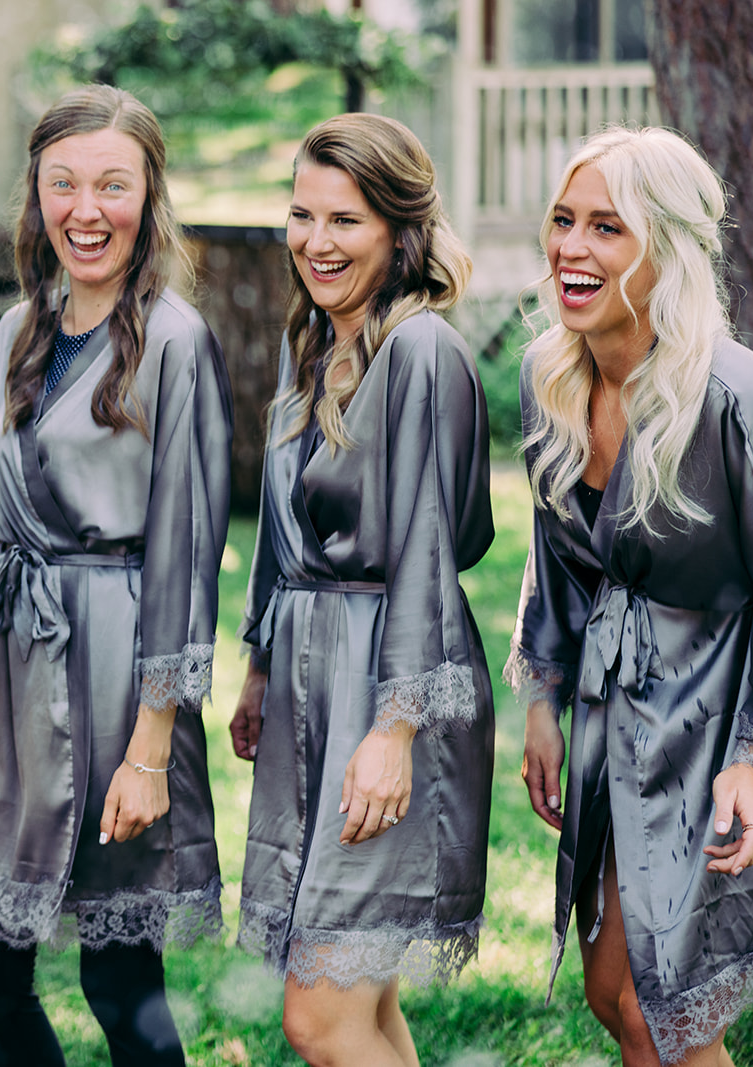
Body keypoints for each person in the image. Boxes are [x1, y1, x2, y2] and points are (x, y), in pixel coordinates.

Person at [0, 84, 232, 1066]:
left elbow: (187, 553)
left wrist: (152, 743)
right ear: (36, 193)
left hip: (117, 677)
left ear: (148, 198)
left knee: (118, 975)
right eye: (63, 183)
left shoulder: (175, 342)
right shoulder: (24, 326)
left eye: (112, 183)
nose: (85, 208)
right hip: (13, 671)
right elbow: (0, 521)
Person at [229, 113, 492, 1067]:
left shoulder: (419, 351)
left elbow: (427, 545)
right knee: (363, 1008)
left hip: (389, 679)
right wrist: (260, 667)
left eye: (346, 219)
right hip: (312, 682)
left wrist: (395, 728)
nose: (316, 241)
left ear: (399, 229)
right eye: (302, 215)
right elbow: (280, 531)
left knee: (323, 1016)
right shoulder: (316, 345)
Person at [509, 126, 753, 1066]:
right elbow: (559, 564)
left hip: (717, 719)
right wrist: (542, 695)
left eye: (607, 229)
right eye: (563, 221)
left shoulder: (738, 396)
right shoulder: (554, 382)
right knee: (614, 990)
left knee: (669, 1008)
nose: (571, 248)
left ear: (666, 248)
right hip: (618, 720)